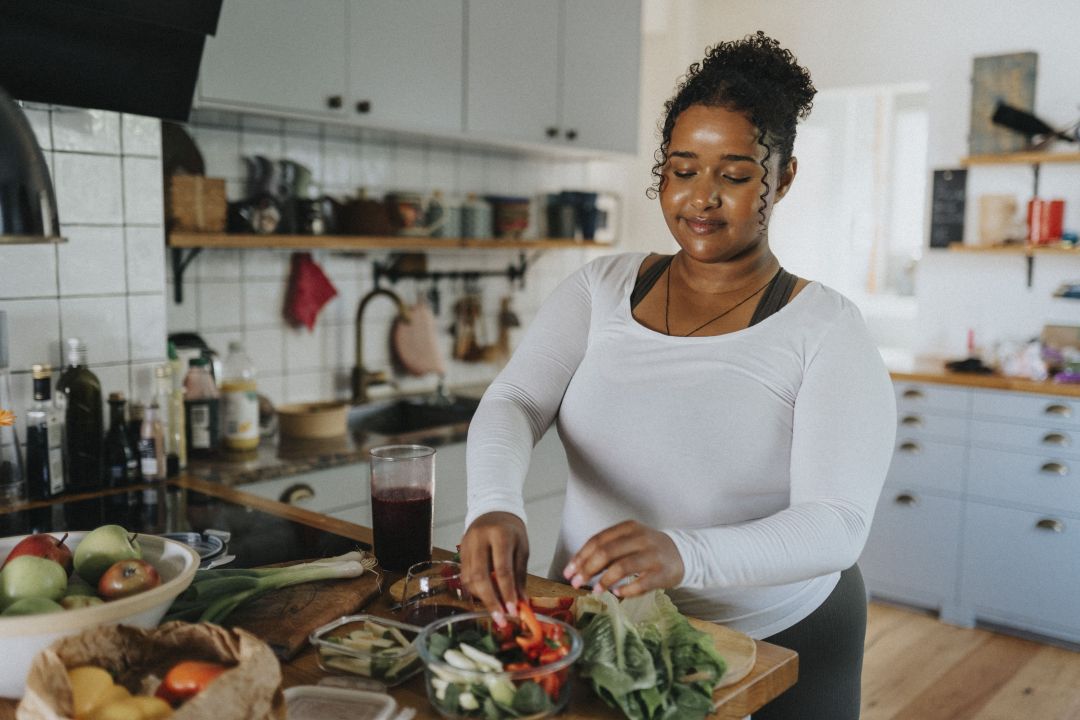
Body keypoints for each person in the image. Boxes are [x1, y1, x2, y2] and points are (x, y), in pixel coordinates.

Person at [459, 31, 896, 720]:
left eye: (735, 173)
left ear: (781, 178)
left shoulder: (827, 331)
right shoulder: (600, 288)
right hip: (603, 624)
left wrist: (682, 554)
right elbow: (514, 399)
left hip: (775, 638)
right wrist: (492, 502)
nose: (701, 197)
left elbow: (836, 525)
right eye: (684, 168)